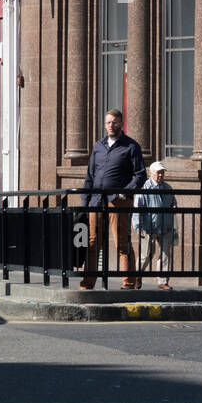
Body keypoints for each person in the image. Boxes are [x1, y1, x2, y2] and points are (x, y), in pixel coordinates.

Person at [79, 109, 146, 290]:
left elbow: (140, 175)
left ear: (121, 123)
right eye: (108, 122)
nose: (111, 126)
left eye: (115, 122)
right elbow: (90, 176)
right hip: (96, 200)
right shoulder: (98, 146)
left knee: (122, 242)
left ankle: (128, 283)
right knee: (92, 243)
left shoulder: (131, 146)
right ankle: (88, 282)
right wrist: (84, 203)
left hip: (118, 201)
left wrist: (124, 193)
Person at [133, 161, 177, 290]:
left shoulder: (168, 187)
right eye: (158, 172)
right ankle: (136, 276)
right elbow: (137, 207)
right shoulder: (145, 187)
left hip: (166, 225)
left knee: (165, 254)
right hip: (149, 226)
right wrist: (138, 226)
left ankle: (162, 281)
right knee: (146, 254)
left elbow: (173, 202)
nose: (161, 175)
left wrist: (174, 206)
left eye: (162, 172)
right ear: (151, 173)